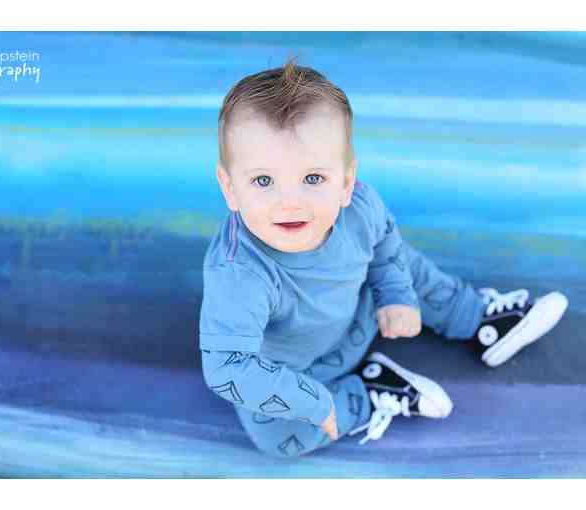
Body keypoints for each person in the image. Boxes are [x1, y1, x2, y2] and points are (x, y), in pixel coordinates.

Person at [199, 59, 569, 458]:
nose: (290, 202)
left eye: (313, 178)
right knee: (278, 440)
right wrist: (312, 401)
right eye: (263, 180)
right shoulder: (238, 272)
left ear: (346, 181)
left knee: (402, 262)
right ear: (229, 188)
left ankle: (476, 318)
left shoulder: (359, 208)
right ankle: (369, 392)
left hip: (360, 312)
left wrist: (396, 295)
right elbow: (226, 365)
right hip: (294, 373)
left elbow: (386, 245)